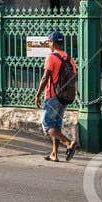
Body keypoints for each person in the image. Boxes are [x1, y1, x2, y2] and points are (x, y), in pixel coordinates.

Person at [37, 30, 77, 162]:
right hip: (65, 97)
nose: (48, 44)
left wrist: (38, 94)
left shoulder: (51, 57)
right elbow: (74, 76)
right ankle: (54, 154)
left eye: (49, 42)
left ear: (53, 43)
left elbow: (45, 78)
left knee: (47, 125)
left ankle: (68, 143)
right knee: (56, 126)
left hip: (53, 96)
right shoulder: (68, 57)